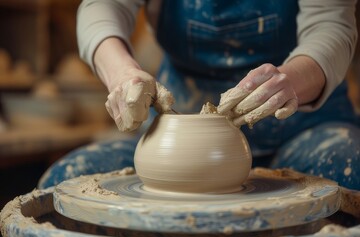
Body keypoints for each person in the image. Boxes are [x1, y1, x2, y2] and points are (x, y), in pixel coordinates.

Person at [38, 0, 360, 190]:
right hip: (178, 131)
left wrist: (290, 80)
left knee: (351, 169)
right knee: (66, 181)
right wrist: (123, 75)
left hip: (304, 121)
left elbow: (331, 26)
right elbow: (102, 6)